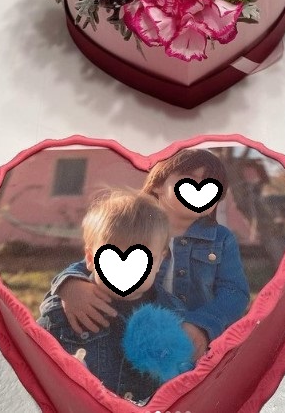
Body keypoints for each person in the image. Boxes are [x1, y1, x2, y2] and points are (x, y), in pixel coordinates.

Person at [50, 149, 250, 362]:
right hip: (134, 332)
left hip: (190, 346)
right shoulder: (135, 227)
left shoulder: (221, 239)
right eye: (189, 179)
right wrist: (70, 285)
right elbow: (99, 260)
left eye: (211, 184)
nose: (199, 189)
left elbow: (234, 292)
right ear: (157, 185)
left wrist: (202, 325)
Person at [37, 190, 186, 402]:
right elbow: (33, 362)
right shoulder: (66, 311)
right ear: (91, 258)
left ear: (160, 261)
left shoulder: (174, 317)